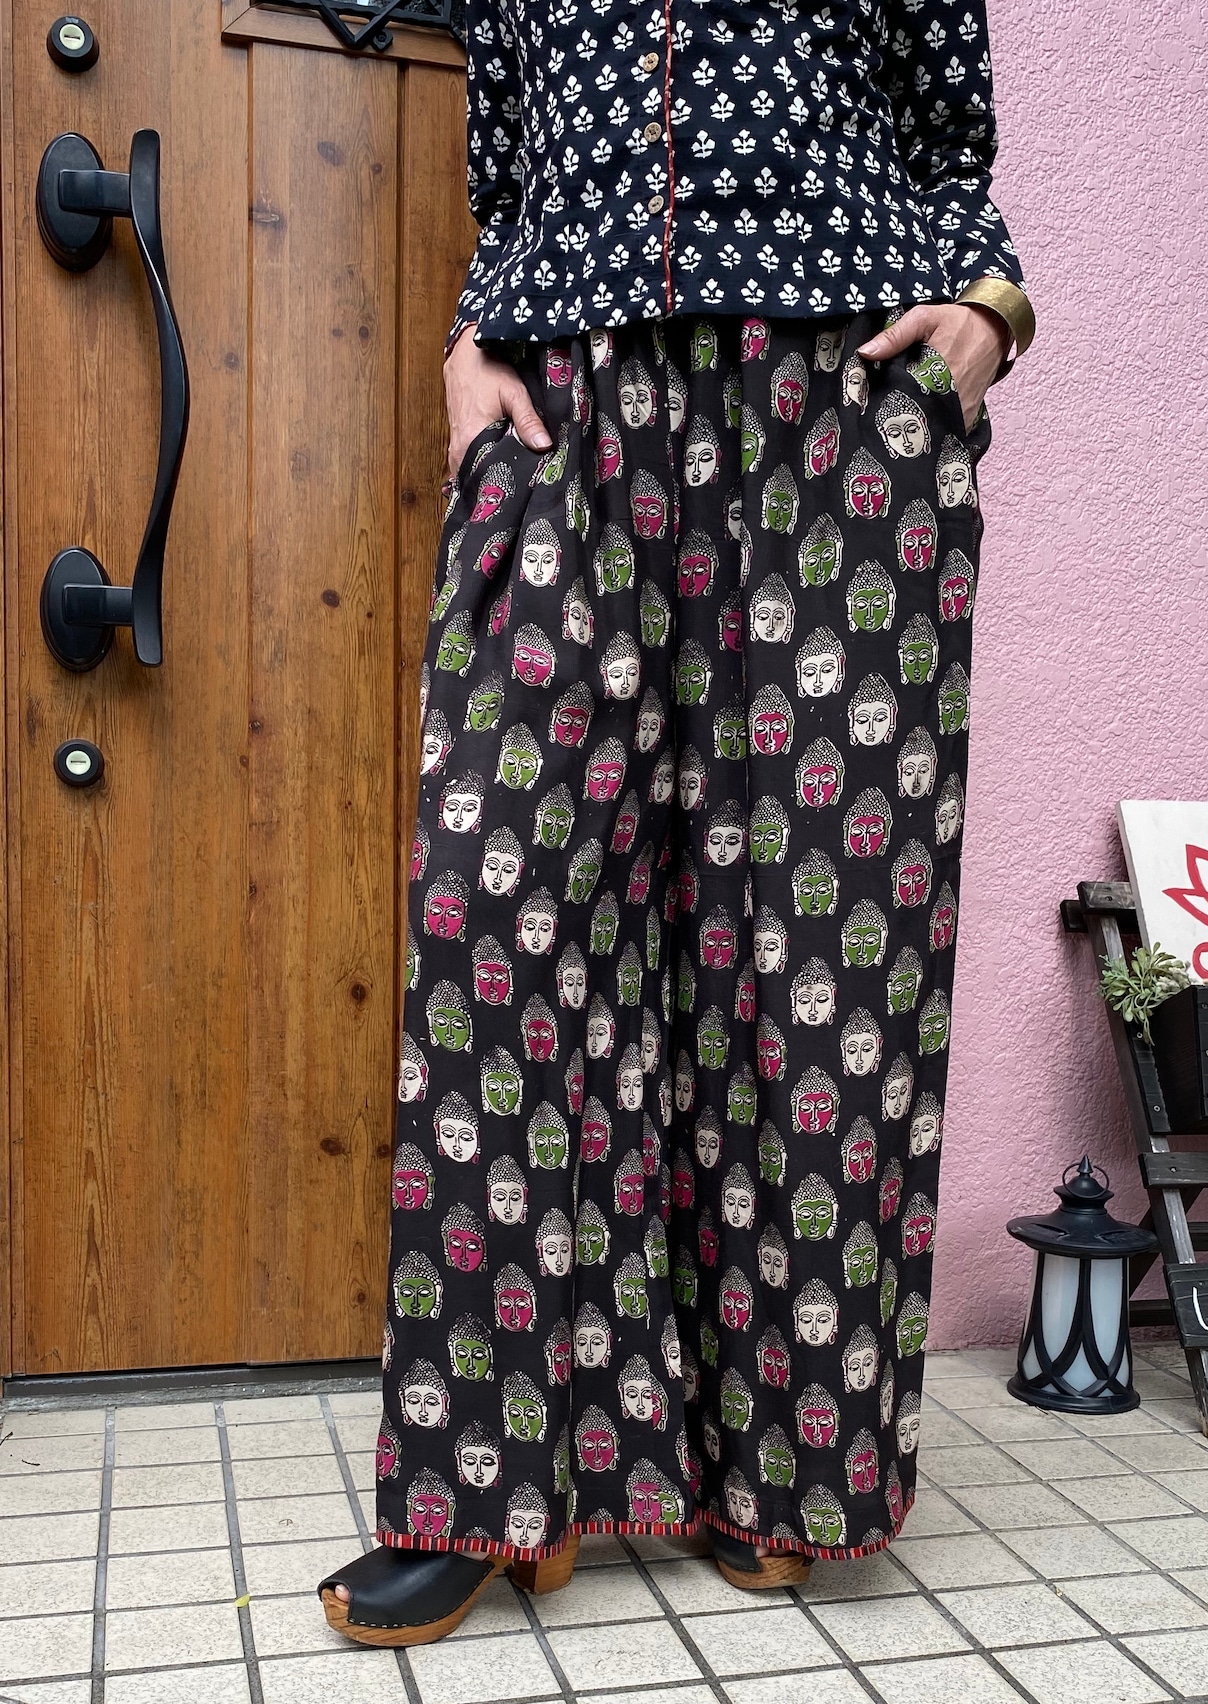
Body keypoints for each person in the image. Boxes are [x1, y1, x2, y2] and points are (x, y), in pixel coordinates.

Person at [320, 0, 1034, 1645]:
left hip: (834, 402)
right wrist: (467, 347)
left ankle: (789, 1469)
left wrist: (991, 311)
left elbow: (951, 146)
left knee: (813, 949)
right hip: (565, 406)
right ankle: (490, 1486)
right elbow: (509, 172)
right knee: (499, 927)